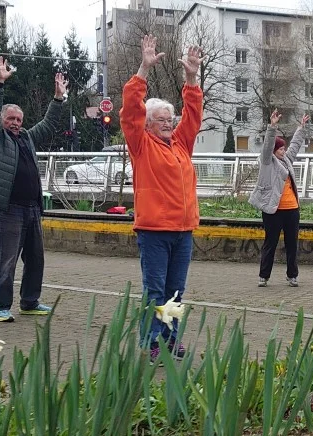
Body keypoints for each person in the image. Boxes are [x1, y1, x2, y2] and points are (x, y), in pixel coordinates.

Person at [120, 35, 203, 361]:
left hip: (183, 231)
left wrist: (192, 78)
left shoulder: (181, 144)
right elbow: (130, 109)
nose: (169, 124)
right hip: (155, 231)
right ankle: (152, 342)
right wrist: (144, 68)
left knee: (175, 293)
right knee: (156, 292)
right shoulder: (141, 145)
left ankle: (170, 339)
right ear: (148, 124)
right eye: (161, 120)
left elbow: (193, 114)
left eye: (171, 120)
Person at [0, 56, 66, 322]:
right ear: (2, 120)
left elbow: (49, 124)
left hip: (32, 208)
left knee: (35, 259)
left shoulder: (27, 137)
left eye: (19, 119)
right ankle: (1, 307)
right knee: (7, 261)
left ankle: (30, 302)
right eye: (11, 118)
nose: (16, 123)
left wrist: (57, 99)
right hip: (10, 209)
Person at [249, 110, 310, 287]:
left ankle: (292, 275)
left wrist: (301, 128)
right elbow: (268, 145)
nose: (284, 151)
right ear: (274, 151)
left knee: (292, 244)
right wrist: (272, 127)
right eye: (281, 148)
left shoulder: (287, 160)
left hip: (292, 209)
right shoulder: (267, 161)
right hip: (273, 210)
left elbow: (295, 146)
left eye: (284, 148)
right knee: (271, 243)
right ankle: (263, 276)